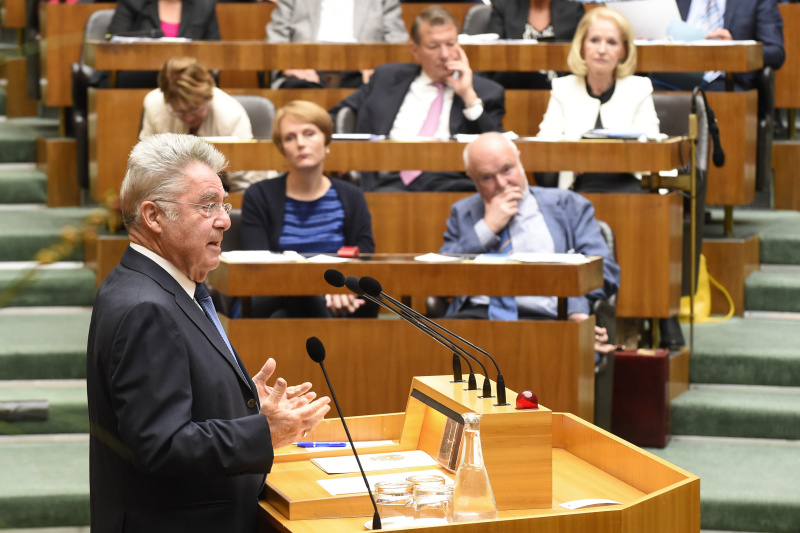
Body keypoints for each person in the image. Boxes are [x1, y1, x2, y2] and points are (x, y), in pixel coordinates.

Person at [86, 133, 331, 532]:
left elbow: (167, 403)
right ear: (154, 216)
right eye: (207, 205)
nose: (225, 220)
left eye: (224, 204)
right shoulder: (147, 307)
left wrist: (236, 402)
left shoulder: (153, 284)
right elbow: (161, 446)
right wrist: (263, 432)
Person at [440, 132, 619, 355]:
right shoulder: (463, 212)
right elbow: (440, 276)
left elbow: (605, 271)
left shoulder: (570, 206)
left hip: (549, 319)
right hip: (476, 318)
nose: (502, 183)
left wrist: (574, 309)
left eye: (507, 170)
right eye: (487, 177)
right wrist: (487, 228)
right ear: (472, 178)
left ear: (520, 161)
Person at [329, 5, 506, 192]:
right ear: (415, 50)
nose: (445, 55)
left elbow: (499, 148)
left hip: (450, 181)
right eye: (434, 46)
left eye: (451, 44)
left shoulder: (485, 91)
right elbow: (335, 116)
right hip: (389, 179)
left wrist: (468, 96)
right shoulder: (387, 78)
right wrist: (339, 152)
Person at [241, 100, 376, 318]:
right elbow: (260, 264)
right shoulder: (259, 196)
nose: (300, 143)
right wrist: (319, 288)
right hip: (280, 292)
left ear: (326, 140)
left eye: (309, 134)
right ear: (282, 148)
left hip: (340, 291)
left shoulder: (352, 196)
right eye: (290, 138)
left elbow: (364, 255)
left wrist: (342, 287)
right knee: (301, 300)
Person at [536, 7, 659, 192]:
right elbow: (545, 144)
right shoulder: (563, 88)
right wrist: (573, 159)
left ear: (623, 51)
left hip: (629, 184)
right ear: (582, 46)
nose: (602, 50)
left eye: (612, 42)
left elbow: (651, 146)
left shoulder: (639, 88)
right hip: (577, 184)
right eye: (594, 40)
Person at [139, 57, 271, 192]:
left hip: (223, 190)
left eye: (194, 110)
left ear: (208, 96)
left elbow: (243, 182)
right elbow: (146, 167)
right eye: (180, 112)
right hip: (172, 191)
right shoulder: (154, 106)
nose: (189, 118)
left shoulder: (231, 114)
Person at [266, 0, 409, 89]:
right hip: (306, 69)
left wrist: (379, 67)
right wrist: (289, 67)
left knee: (378, 88)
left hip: (361, 72)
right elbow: (276, 37)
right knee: (298, 90)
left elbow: (397, 40)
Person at [655, 0, 785, 92]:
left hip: (725, 81)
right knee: (647, 93)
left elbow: (776, 51)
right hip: (673, 76)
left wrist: (734, 49)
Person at [487, 0, 585, 89]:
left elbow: (581, 53)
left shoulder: (573, 10)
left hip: (561, 85)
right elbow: (490, 52)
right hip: (513, 84)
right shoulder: (504, 7)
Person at [108, 0, 220, 40]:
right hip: (139, 73)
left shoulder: (204, 6)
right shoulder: (132, 3)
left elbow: (215, 51)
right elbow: (113, 43)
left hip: (188, 76)